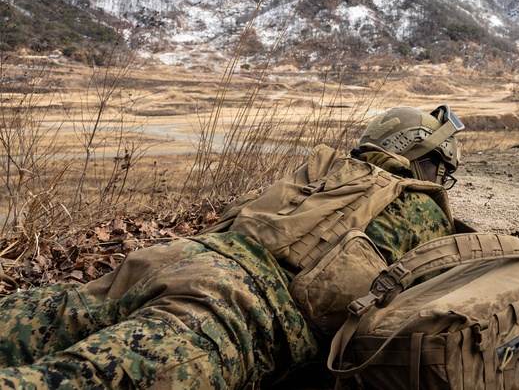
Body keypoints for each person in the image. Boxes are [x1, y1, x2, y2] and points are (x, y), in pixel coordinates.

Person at [0, 104, 464, 389]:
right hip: (233, 310)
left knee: (30, 321)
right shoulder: (422, 208)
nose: (440, 180)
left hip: (172, 260)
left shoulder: (326, 171)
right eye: (439, 168)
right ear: (419, 156)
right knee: (82, 378)